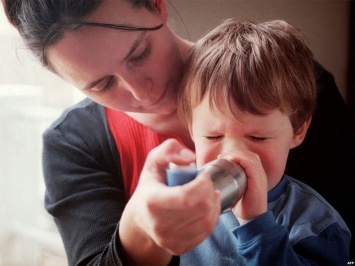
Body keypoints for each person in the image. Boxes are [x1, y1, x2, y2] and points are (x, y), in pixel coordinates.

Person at [1, 0, 353, 265]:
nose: (143, 93)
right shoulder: (74, 144)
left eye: (139, 53)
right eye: (102, 84)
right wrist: (139, 231)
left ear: (157, 4)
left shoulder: (289, 89)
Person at [177, 18, 351, 265]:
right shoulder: (181, 204)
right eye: (213, 136)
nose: (232, 154)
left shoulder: (317, 226)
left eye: (257, 137)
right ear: (190, 129)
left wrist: (256, 226)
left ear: (297, 130)